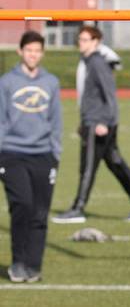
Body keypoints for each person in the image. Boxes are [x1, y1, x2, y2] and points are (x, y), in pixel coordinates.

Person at [52, 26, 130, 224]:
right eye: (80, 39)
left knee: (87, 167)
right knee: (115, 163)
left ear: (96, 42)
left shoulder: (97, 63)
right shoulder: (88, 62)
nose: (81, 43)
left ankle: (78, 209)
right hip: (93, 121)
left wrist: (104, 122)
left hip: (98, 124)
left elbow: (109, 95)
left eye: (85, 39)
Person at [0, 31, 62, 283]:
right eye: (29, 50)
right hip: (12, 153)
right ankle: (18, 262)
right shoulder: (7, 82)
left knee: (39, 212)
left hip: (43, 155)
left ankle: (33, 266)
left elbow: (56, 121)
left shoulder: (51, 82)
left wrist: (55, 153)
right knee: (22, 205)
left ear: (42, 53)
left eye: (37, 51)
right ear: (20, 52)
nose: (33, 55)